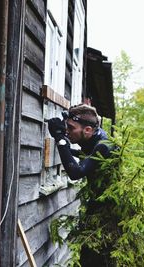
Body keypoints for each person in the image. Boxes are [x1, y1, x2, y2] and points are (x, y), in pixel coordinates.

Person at [48, 103, 114, 266]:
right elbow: (82, 154)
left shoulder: (104, 146)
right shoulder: (95, 139)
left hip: (107, 218)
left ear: (88, 130)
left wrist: (61, 140)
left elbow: (76, 173)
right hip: (97, 210)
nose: (67, 132)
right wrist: (63, 141)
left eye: (71, 128)